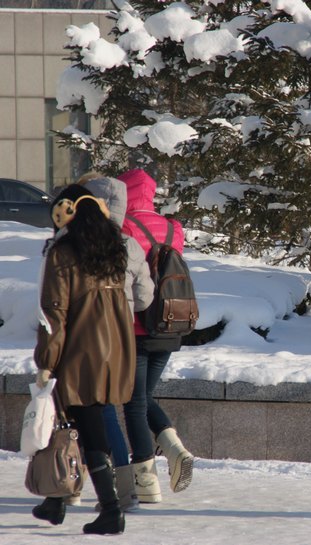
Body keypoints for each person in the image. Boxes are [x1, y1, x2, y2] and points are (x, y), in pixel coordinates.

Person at [32, 183, 135, 535]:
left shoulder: (63, 253)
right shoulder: (113, 252)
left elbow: (54, 313)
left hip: (78, 352)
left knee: (84, 429)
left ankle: (110, 509)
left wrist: (47, 360)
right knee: (70, 423)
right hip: (115, 352)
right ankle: (56, 500)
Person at [78, 172, 155, 512]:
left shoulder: (77, 244)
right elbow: (144, 299)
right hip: (122, 336)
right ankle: (124, 489)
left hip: (85, 336)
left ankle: (80, 486)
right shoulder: (130, 245)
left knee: (90, 411)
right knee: (108, 410)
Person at [117, 168, 194, 503]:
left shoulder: (124, 226)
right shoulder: (174, 228)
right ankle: (174, 447)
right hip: (170, 324)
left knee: (134, 403)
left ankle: (145, 479)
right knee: (143, 398)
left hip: (136, 326)